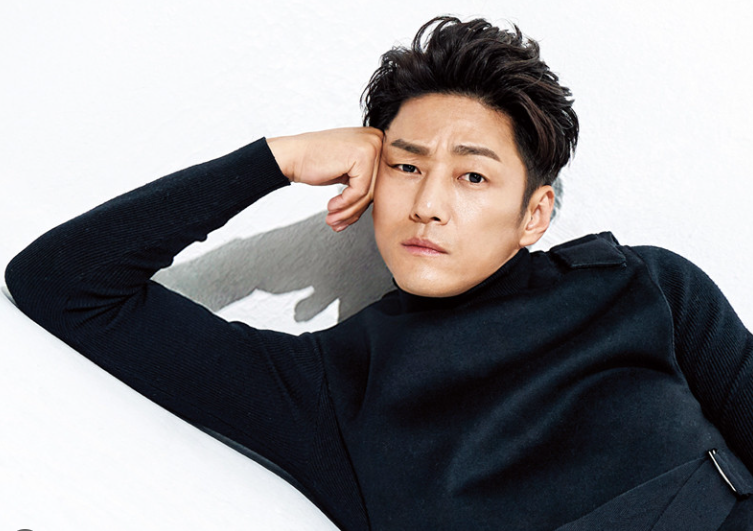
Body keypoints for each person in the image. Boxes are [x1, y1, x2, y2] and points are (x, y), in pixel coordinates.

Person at [4, 15, 752, 531]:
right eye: (405, 166)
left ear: (534, 214)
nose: (427, 204)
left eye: (472, 177)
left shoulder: (643, 286)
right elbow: (62, 283)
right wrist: (278, 159)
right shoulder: (325, 391)